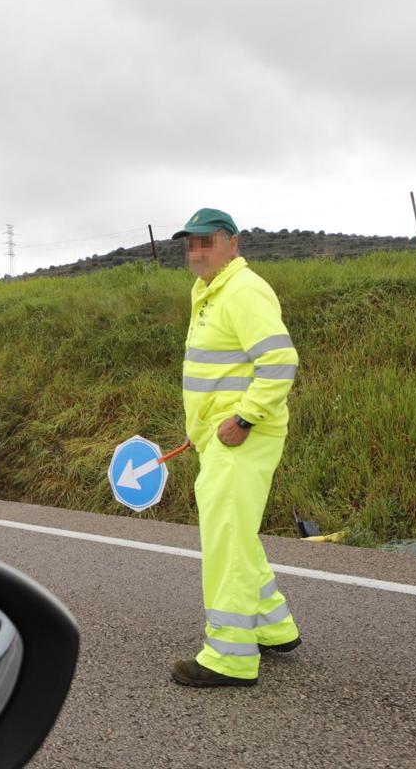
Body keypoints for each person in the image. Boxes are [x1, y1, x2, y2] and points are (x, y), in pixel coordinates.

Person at [169, 208, 301, 688]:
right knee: (236, 532)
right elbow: (218, 373)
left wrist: (245, 418)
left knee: (224, 539)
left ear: (233, 243)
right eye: (191, 243)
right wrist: (198, 429)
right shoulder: (208, 292)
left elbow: (279, 361)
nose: (197, 250)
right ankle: (273, 627)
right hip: (220, 435)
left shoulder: (243, 290)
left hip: (244, 435)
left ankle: (228, 658)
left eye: (207, 241)